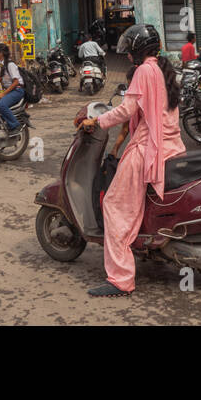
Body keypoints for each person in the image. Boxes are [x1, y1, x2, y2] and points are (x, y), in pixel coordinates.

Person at [80, 24, 186, 296]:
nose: (127, 56)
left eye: (130, 50)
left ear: (139, 50)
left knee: (114, 206)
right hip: (170, 145)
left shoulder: (143, 71)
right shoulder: (161, 70)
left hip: (147, 148)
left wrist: (97, 121)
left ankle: (120, 279)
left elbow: (126, 110)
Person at [0, 43, 25, 132]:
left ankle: (15, 125)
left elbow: (16, 82)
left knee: (1, 105)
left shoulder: (10, 65)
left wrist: (4, 93)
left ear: (1, 53)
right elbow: (0, 81)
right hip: (9, 90)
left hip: (17, 90)